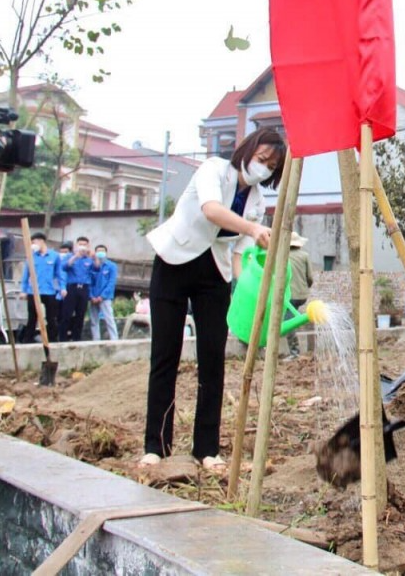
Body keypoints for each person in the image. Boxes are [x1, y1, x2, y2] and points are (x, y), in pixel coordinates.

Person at [141, 127, 283, 472]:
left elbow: (239, 253)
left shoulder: (257, 203)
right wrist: (252, 231)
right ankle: (155, 446)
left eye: (271, 165)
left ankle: (206, 449)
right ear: (247, 151)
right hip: (174, 262)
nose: (262, 167)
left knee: (212, 360)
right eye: (261, 159)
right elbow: (211, 210)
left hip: (213, 276)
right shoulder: (213, 169)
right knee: (165, 355)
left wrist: (249, 279)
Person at [19, 232, 61, 344]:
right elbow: (25, 275)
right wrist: (23, 291)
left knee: (51, 318)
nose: (34, 245)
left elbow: (59, 274)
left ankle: (52, 339)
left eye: (35, 242)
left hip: (49, 291)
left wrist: (62, 288)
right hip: (33, 291)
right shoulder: (31, 257)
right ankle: (27, 340)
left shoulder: (54, 256)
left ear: (42, 241)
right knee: (32, 317)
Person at [58, 236, 94, 342]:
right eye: (80, 244)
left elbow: (95, 270)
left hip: (84, 288)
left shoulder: (89, 259)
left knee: (80, 314)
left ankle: (76, 337)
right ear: (76, 245)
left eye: (84, 244)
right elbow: (64, 267)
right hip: (72, 287)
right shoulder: (70, 256)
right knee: (67, 314)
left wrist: (93, 257)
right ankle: (62, 338)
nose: (82, 246)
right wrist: (75, 257)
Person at [285, 231, 313, 360]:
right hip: (302, 295)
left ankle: (294, 352)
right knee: (290, 318)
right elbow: (310, 278)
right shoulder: (305, 256)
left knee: (288, 321)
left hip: (289, 296)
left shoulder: (284, 256)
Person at [89, 244, 119, 341]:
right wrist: (91, 296)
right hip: (93, 297)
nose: (100, 253)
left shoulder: (111, 266)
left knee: (109, 319)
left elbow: (111, 283)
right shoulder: (92, 265)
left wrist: (102, 296)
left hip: (105, 298)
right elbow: (89, 282)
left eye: (102, 251)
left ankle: (115, 340)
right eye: (98, 251)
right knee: (94, 321)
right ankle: (96, 340)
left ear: (106, 253)